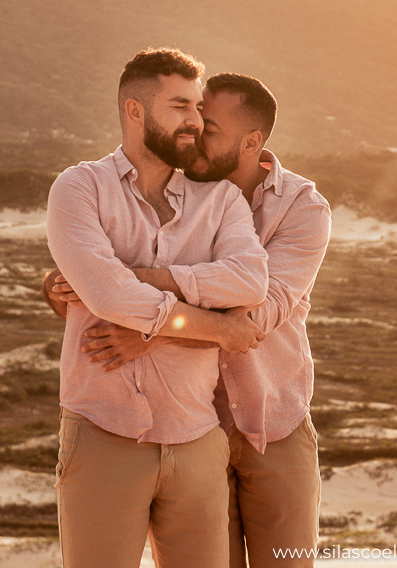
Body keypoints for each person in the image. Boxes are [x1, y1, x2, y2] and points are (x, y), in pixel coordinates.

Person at [46, 72, 331, 568]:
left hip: (272, 424)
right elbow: (104, 283)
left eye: (209, 127)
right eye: (192, 115)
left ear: (251, 142)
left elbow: (257, 316)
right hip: (198, 426)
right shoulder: (175, 190)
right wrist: (80, 285)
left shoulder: (302, 208)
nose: (195, 131)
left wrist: (150, 327)